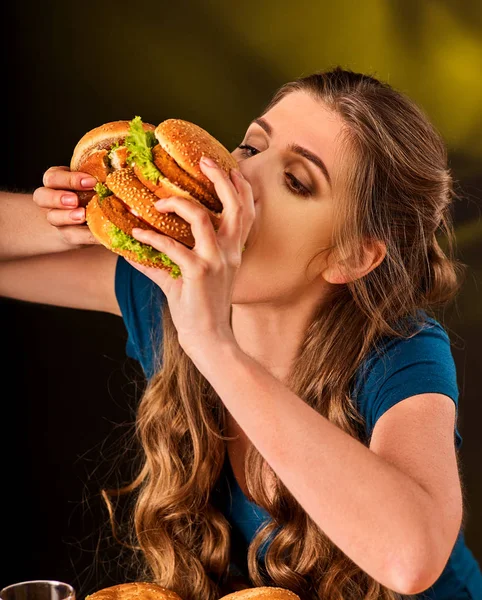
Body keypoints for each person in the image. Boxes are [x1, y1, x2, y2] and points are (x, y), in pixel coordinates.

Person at [1, 67, 481, 600]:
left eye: (297, 181)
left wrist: (212, 346)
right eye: (252, 149)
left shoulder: (403, 350)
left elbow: (410, 558)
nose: (240, 179)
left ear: (351, 254)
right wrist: (80, 217)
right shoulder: (169, 290)